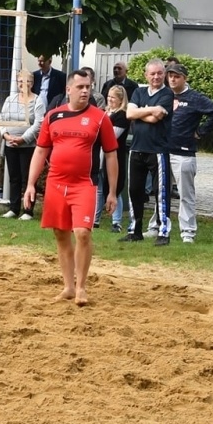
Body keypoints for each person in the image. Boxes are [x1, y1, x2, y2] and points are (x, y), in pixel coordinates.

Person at [24, 70, 117, 306]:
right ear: (68, 89)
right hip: (56, 183)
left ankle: (82, 287)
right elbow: (41, 150)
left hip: (84, 184)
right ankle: (68, 286)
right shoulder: (53, 116)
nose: (85, 90)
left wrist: (113, 192)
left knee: (83, 233)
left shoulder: (100, 118)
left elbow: (111, 155)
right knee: (60, 233)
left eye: (88, 86)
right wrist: (30, 184)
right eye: (80, 87)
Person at [164, 62, 213, 244]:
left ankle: (187, 231)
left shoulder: (194, 97)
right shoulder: (164, 95)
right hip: (163, 149)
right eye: (170, 76)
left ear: (184, 78)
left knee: (185, 194)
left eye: (177, 76)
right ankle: (159, 227)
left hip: (184, 152)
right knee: (161, 194)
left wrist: (201, 132)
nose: (172, 79)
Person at [120, 59, 173, 245]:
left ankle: (163, 232)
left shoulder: (167, 94)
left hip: (157, 150)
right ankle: (135, 230)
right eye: (152, 74)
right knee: (134, 190)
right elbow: (129, 114)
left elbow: (155, 118)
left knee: (161, 192)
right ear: (146, 75)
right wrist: (150, 110)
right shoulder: (139, 91)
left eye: (159, 73)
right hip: (136, 148)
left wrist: (140, 112)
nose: (156, 77)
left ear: (164, 75)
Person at [0, 70, 42, 220]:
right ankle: (14, 208)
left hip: (28, 146)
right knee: (14, 178)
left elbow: (38, 124)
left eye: (27, 81)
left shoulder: (37, 101)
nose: (23, 84)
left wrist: (24, 138)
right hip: (11, 144)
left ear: (32, 83)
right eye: (20, 81)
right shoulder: (10, 99)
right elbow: (1, 119)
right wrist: (6, 135)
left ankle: (28, 210)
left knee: (28, 178)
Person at [101, 85, 133, 232]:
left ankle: (117, 222)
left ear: (121, 99)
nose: (110, 100)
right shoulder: (105, 112)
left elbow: (111, 137)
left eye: (113, 97)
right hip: (101, 155)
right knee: (100, 188)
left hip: (115, 156)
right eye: (108, 97)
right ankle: (95, 220)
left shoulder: (122, 116)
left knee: (115, 188)